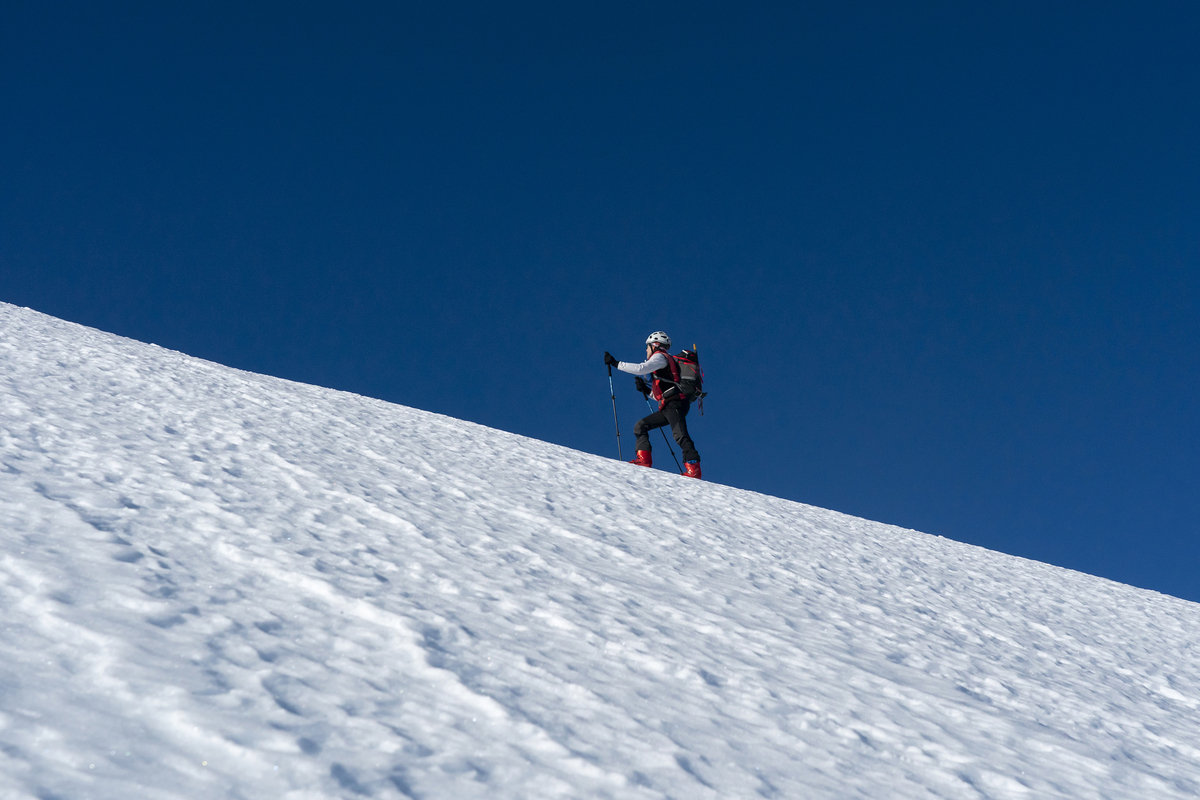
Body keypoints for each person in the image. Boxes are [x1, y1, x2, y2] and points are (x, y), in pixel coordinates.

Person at [604, 331, 702, 479]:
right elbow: (662, 395)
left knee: (680, 435)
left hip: (674, 404)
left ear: (655, 345)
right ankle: (643, 461)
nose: (646, 350)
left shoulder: (660, 357)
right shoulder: (662, 362)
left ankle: (693, 469)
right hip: (670, 405)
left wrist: (616, 363)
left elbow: (640, 368)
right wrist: (646, 390)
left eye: (647, 347)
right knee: (640, 426)